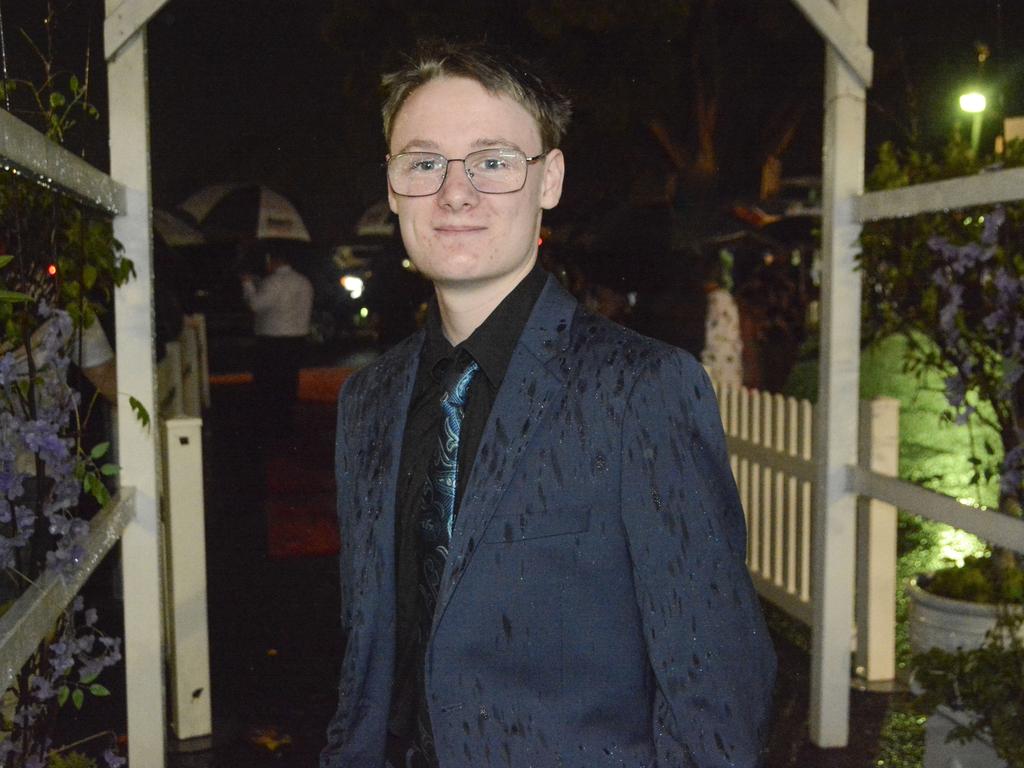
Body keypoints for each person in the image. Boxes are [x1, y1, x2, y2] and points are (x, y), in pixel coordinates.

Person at [322, 41, 776, 768]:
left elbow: (714, 700)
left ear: (550, 179)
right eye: (424, 161)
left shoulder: (642, 390)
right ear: (393, 184)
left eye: (493, 161)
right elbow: (369, 659)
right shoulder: (366, 403)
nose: (455, 192)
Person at [240, 249, 313, 439]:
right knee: (288, 379)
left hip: (274, 338)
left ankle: (272, 424)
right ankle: (287, 420)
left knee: (269, 382)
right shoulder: (304, 281)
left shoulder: (273, 282)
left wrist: (248, 285)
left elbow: (255, 305)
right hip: (297, 336)